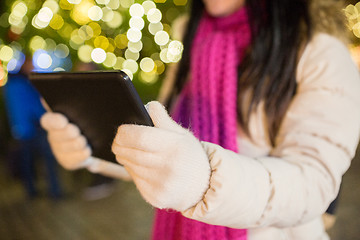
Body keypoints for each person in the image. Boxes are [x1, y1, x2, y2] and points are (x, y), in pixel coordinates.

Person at [40, 0, 360, 239]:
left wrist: (207, 180)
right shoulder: (193, 41)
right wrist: (91, 149)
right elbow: (169, 159)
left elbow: (315, 183)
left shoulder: (321, 51)